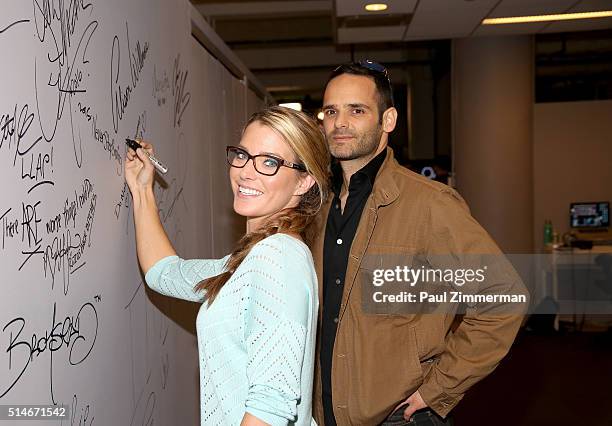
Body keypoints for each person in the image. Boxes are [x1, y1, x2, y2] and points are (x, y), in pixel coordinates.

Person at [308, 61, 528, 425]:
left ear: (388, 120)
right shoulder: (319, 206)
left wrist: (438, 388)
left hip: (400, 416)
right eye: (331, 111)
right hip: (325, 412)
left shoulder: (430, 204)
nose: (340, 123)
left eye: (357, 110)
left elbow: (503, 298)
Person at [125, 106, 330, 425]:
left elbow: (270, 407)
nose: (246, 172)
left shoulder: (277, 258)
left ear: (304, 182)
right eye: (242, 155)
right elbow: (166, 273)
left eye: (269, 162)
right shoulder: (250, 261)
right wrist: (142, 189)